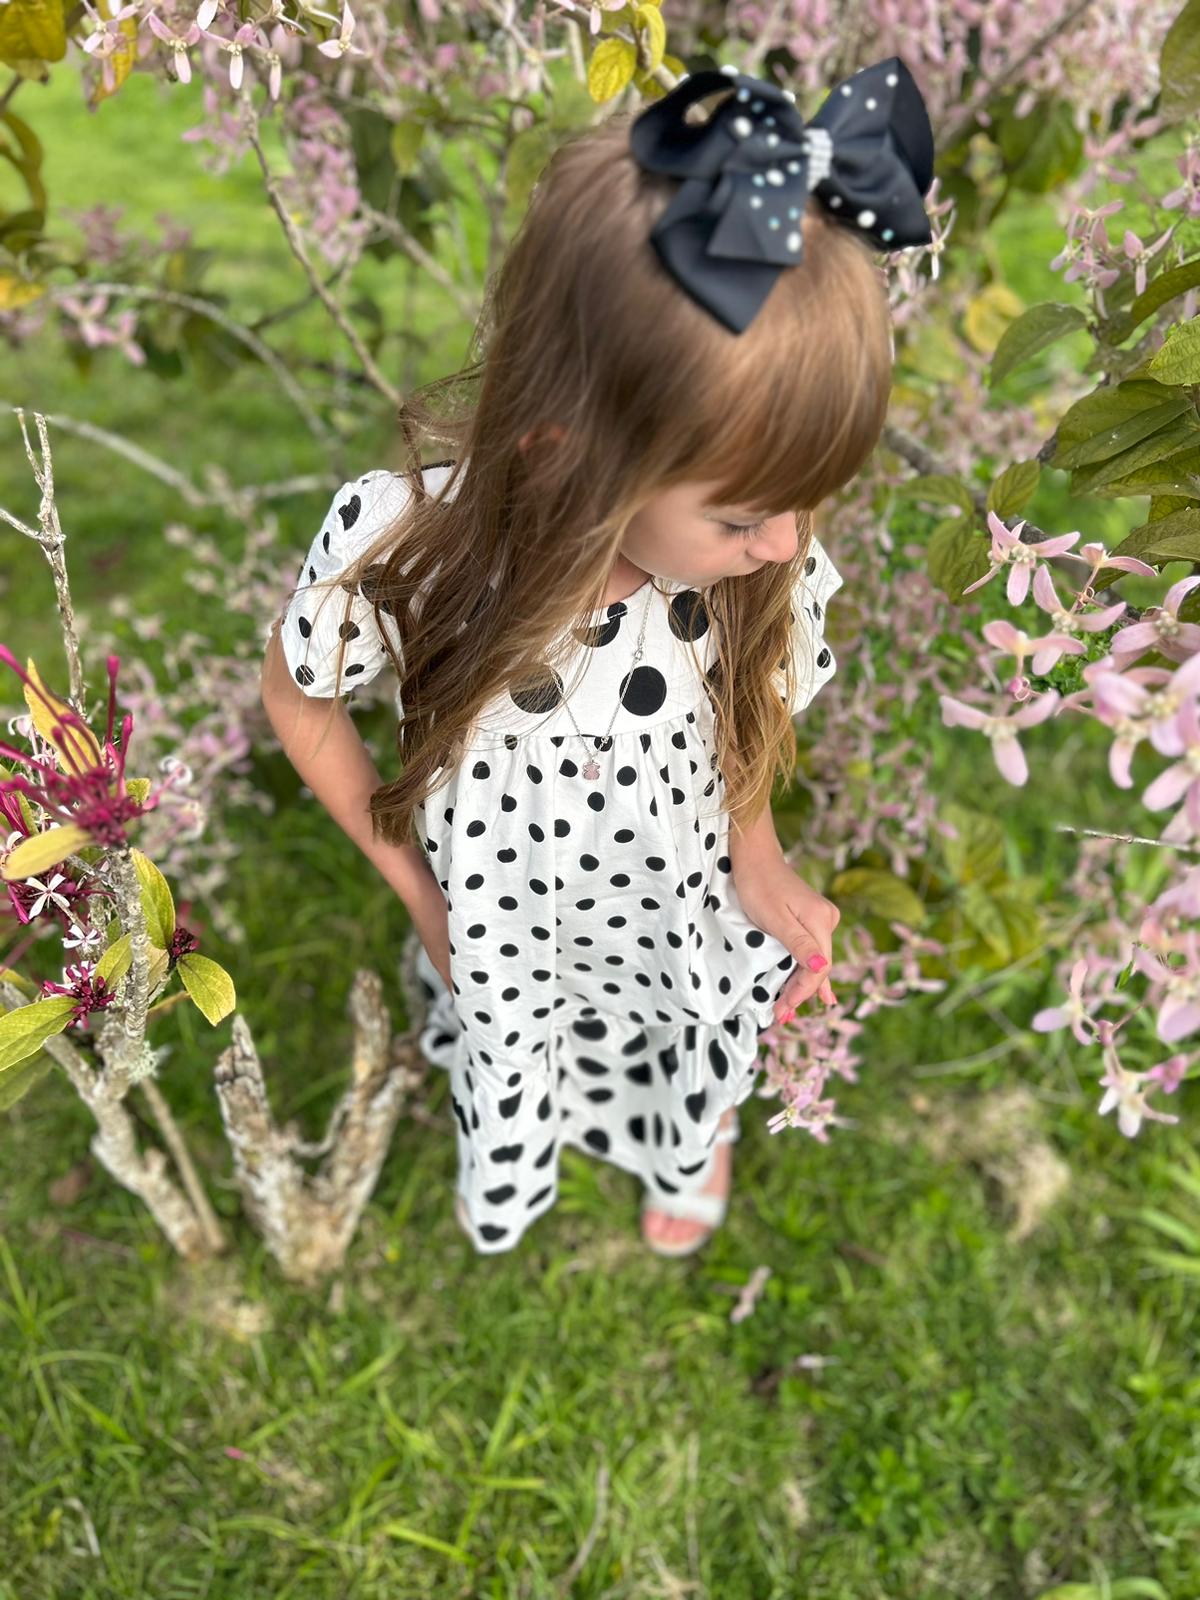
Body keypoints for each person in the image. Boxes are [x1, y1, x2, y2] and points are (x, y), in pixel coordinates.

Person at [261, 55, 935, 1258]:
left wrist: (761, 851)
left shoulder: (747, 560)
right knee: (516, 1048)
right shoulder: (416, 545)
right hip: (504, 912)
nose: (785, 544)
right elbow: (299, 693)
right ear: (578, 452)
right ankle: (523, 1166)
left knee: (686, 1035)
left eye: (804, 504)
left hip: (676, 898)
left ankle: (691, 1137)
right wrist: (425, 894)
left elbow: (748, 695)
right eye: (744, 519)